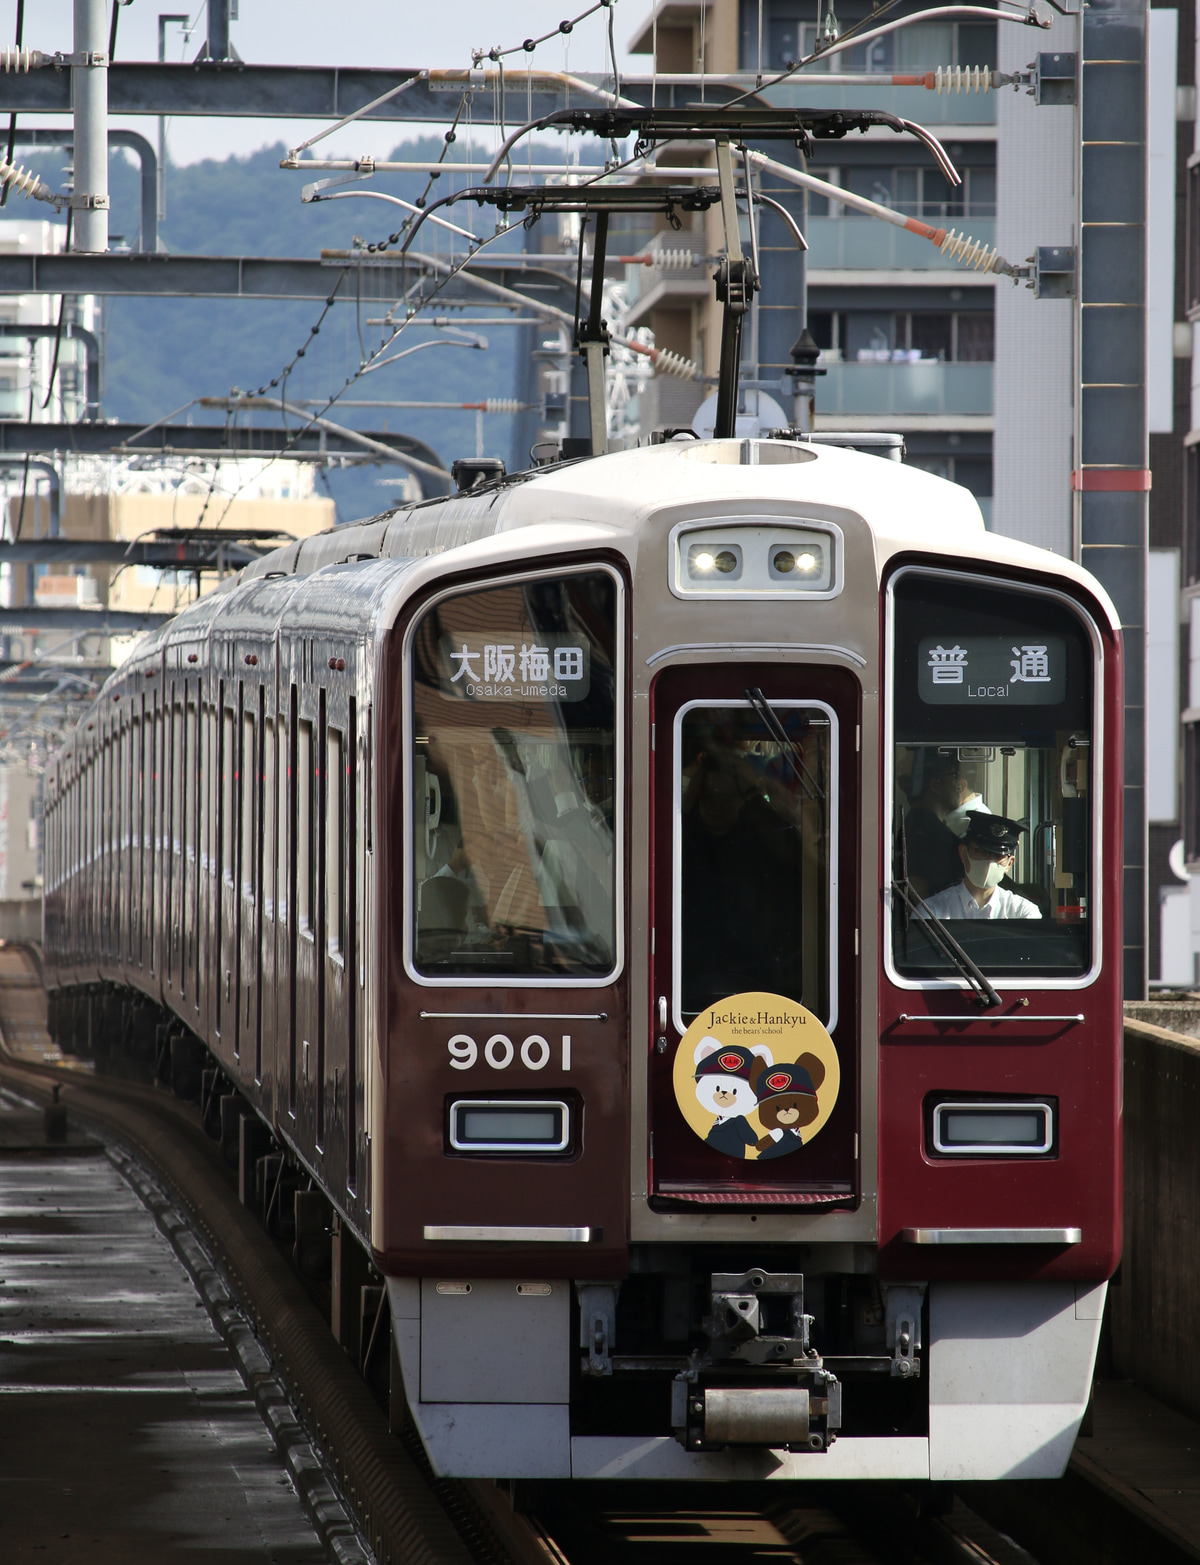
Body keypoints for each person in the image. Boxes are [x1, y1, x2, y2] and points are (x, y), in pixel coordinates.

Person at [915, 814, 1041, 920]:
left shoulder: (1023, 913)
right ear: (963, 853)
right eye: (981, 852)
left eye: (998, 856)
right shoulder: (932, 912)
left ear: (1010, 863)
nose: (989, 862)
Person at [902, 750, 964, 898]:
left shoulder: (920, 826)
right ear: (935, 785)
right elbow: (920, 890)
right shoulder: (930, 835)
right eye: (954, 777)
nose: (958, 787)